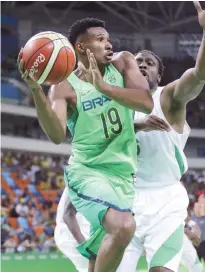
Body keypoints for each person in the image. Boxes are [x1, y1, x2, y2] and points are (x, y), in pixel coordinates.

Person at [17, 17, 153, 272]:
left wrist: (102, 86)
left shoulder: (123, 62)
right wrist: (36, 90)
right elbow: (56, 135)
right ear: (81, 48)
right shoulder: (63, 86)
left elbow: (145, 102)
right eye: (100, 40)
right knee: (124, 226)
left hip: (124, 176)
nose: (109, 44)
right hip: (88, 172)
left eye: (108, 38)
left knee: (98, 256)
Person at [118, 2, 205, 272]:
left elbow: (200, 74)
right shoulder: (114, 106)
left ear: (159, 73)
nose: (142, 64)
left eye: (149, 63)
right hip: (123, 200)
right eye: (136, 62)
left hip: (164, 200)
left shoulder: (168, 98)